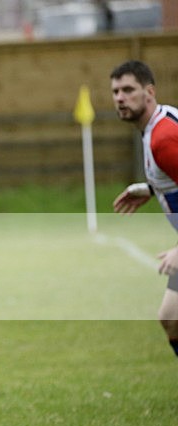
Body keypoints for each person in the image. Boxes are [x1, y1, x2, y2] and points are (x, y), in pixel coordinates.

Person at [111, 60, 178, 357]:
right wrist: (153, 188)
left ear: (149, 92)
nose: (120, 98)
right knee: (172, 317)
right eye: (116, 91)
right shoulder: (158, 126)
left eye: (128, 90)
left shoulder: (163, 138)